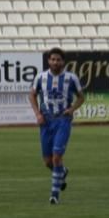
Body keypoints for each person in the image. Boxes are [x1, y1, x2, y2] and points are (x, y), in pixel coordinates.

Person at [28, 47, 85, 204]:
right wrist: (38, 114)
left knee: (57, 157)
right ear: (48, 61)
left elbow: (81, 97)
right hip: (46, 121)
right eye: (52, 59)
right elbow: (31, 94)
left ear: (63, 62)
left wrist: (72, 109)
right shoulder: (41, 77)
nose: (55, 62)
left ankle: (54, 195)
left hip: (62, 120)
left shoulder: (71, 78)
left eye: (58, 59)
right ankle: (62, 172)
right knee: (48, 161)